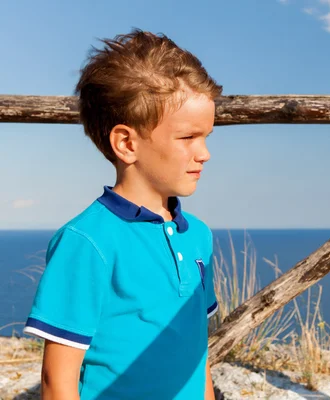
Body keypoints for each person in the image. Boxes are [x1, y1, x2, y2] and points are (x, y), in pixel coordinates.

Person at [23, 28, 222, 399]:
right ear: (126, 143)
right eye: (187, 138)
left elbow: (198, 353)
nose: (204, 153)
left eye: (207, 136)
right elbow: (57, 382)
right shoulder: (87, 243)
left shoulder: (199, 236)